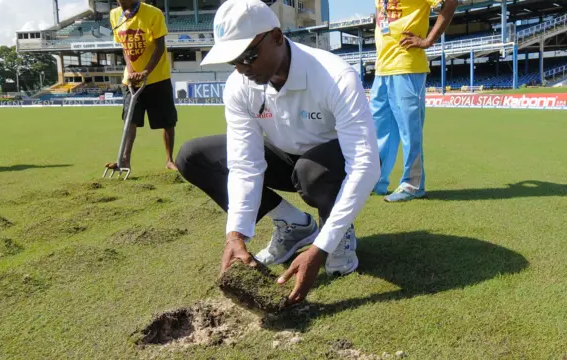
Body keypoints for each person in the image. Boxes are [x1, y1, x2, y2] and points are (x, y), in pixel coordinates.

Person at [175, 0, 380, 305]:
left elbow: (365, 164)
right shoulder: (239, 85)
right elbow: (245, 164)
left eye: (249, 56)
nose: (242, 69)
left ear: (276, 37)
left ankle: (336, 232)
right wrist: (236, 234)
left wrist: (321, 248)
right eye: (234, 61)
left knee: (310, 172)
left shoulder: (335, 76)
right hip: (285, 157)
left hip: (330, 165)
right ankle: (294, 225)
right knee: (193, 157)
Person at [370, 0, 457, 202]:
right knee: (378, 132)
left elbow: (451, 2)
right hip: (382, 69)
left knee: (410, 131)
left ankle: (413, 184)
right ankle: (376, 181)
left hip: (407, 67)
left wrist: (428, 41)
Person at [108, 0, 179, 171]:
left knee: (167, 121)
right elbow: (124, 47)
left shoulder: (154, 13)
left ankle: (169, 160)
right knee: (130, 120)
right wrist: (131, 70)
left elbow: (160, 47)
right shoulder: (114, 15)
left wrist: (146, 71)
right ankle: (124, 160)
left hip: (157, 77)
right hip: (131, 80)